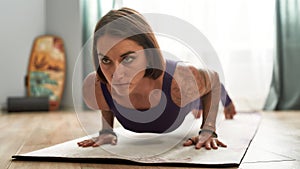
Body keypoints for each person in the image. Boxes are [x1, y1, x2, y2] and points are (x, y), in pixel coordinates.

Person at [77, 7, 236, 150]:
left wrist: (208, 130)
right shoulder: (97, 85)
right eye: (105, 60)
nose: (116, 74)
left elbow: (213, 79)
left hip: (193, 93)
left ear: (149, 52)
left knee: (205, 93)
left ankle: (227, 101)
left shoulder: (180, 80)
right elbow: (107, 103)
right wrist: (107, 131)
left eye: (128, 59)